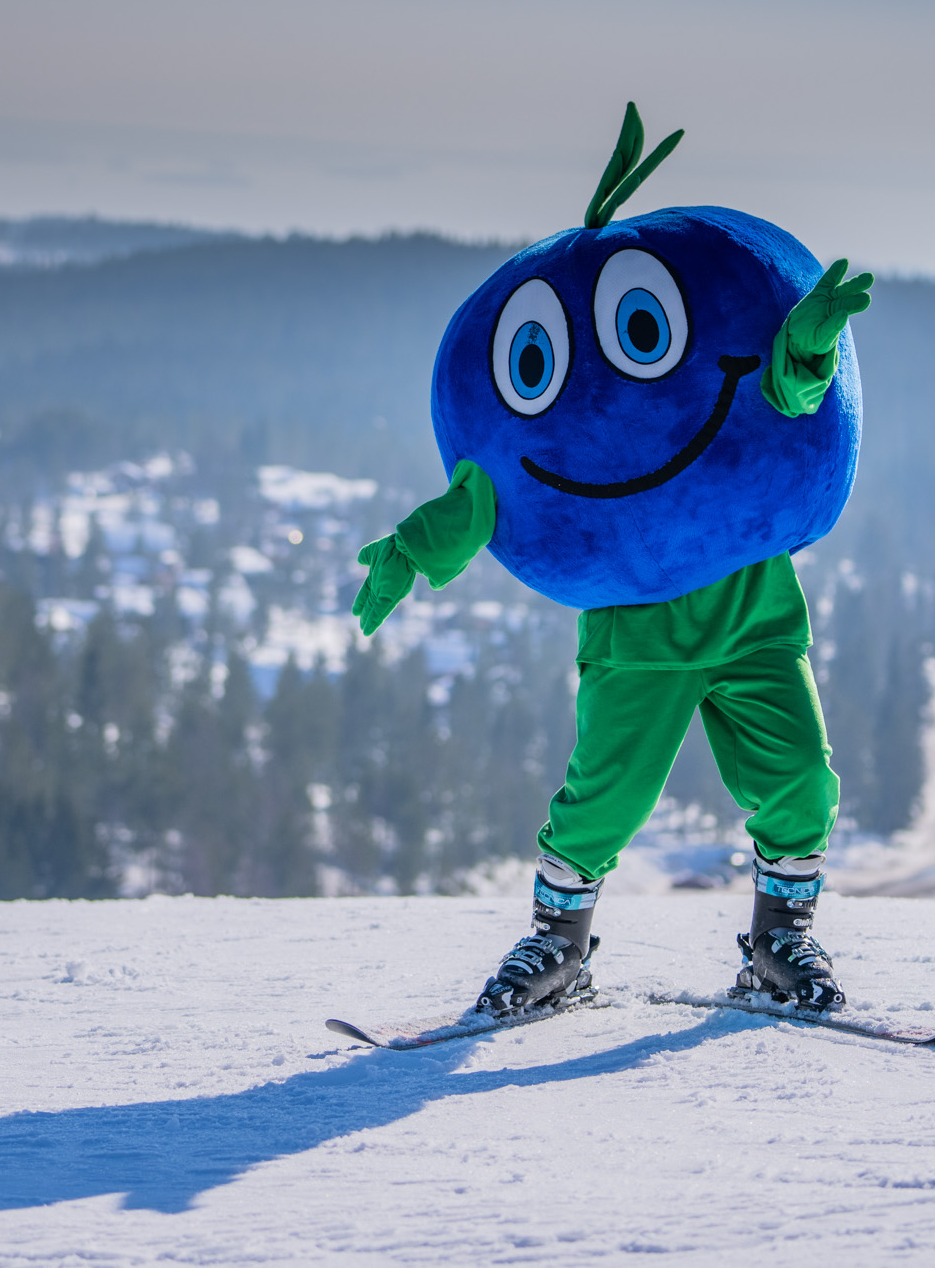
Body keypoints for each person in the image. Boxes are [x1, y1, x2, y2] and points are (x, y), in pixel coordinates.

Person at [350, 104, 870, 1017]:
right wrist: (408, 552)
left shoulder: (758, 351)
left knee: (800, 776)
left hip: (754, 613)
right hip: (636, 633)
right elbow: (482, 497)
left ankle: (782, 940)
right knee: (606, 796)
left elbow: (778, 390)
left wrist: (811, 347)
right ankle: (557, 946)